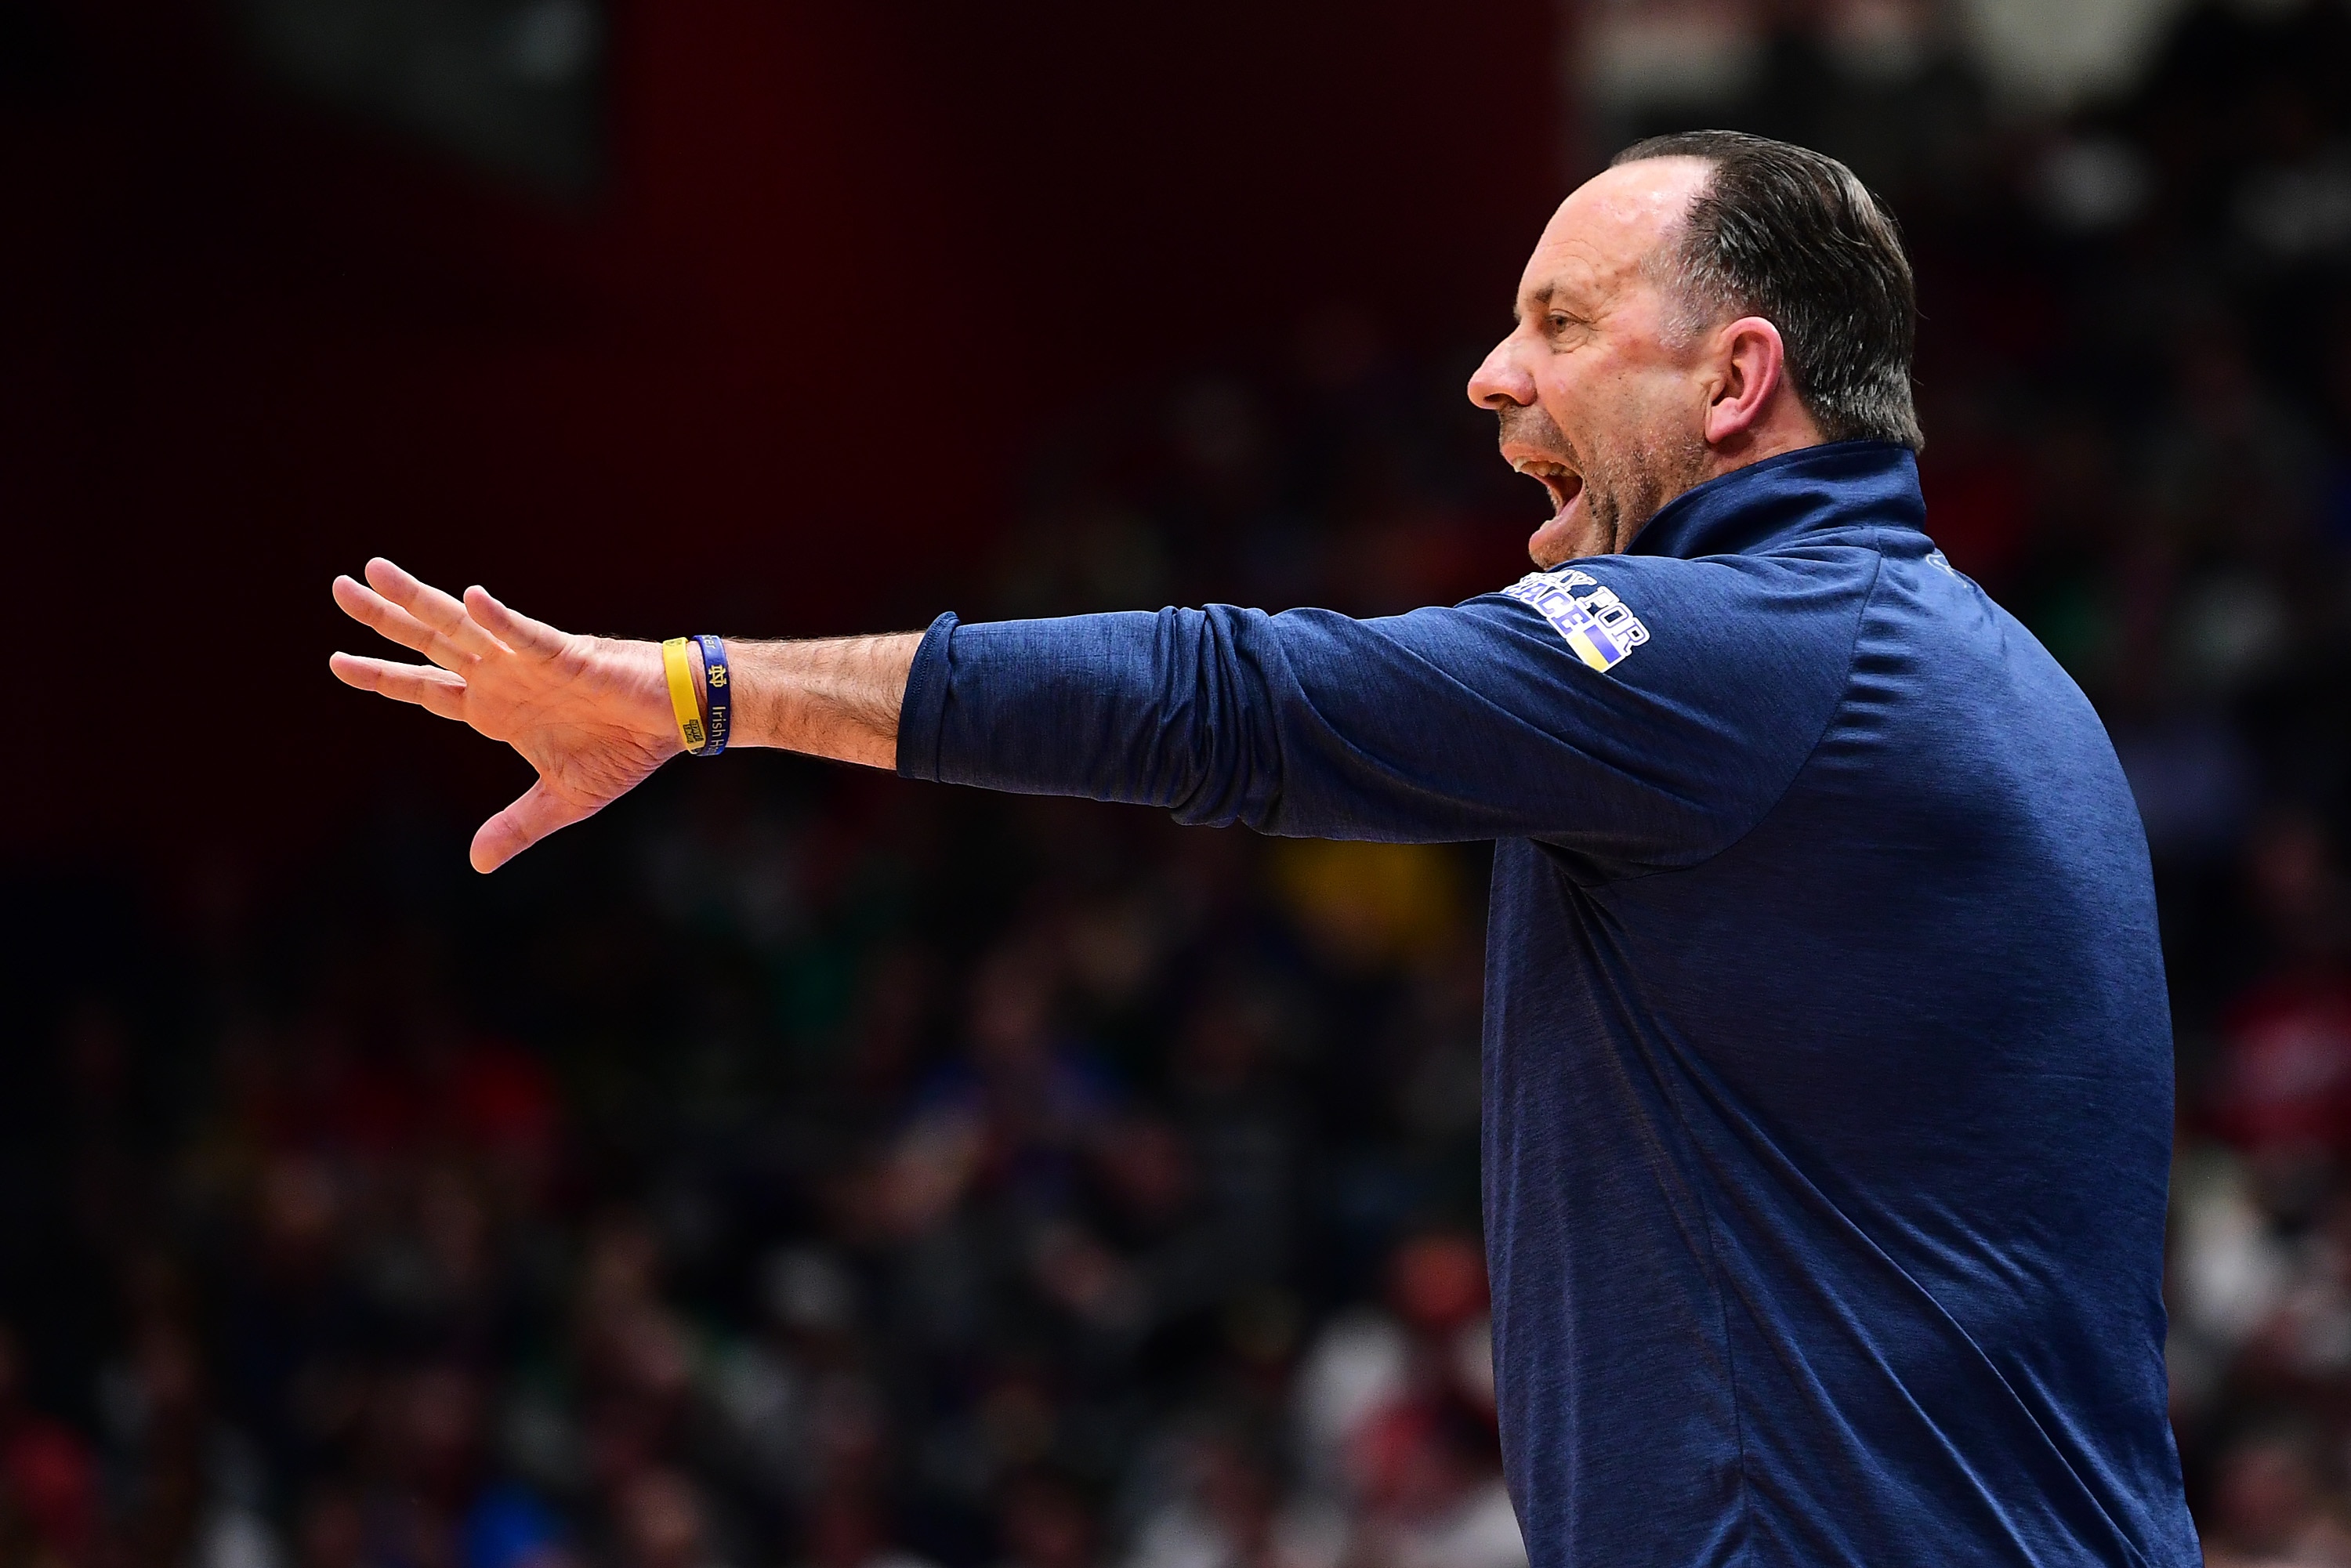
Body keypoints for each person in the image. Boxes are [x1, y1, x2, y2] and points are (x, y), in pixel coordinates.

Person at [329, 131, 2198, 1566]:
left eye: (1559, 323)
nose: (1492, 375)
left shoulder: (1748, 652)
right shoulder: (1955, 661)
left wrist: (693, 690)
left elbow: (1229, 698)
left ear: (1735, 383)